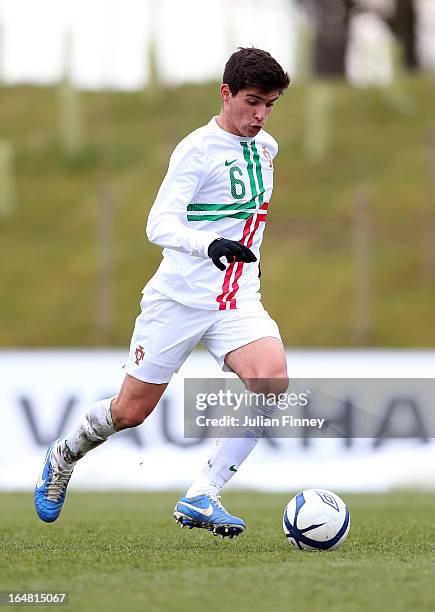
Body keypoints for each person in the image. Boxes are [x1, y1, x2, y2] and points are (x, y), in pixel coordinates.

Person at [34, 47, 290, 538]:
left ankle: (203, 494)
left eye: (270, 105)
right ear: (226, 93)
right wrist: (209, 243)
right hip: (177, 300)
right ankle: (64, 454)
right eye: (253, 101)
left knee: (272, 380)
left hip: (236, 300)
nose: (260, 114)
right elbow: (159, 223)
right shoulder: (196, 150)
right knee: (129, 412)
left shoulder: (267, 148)